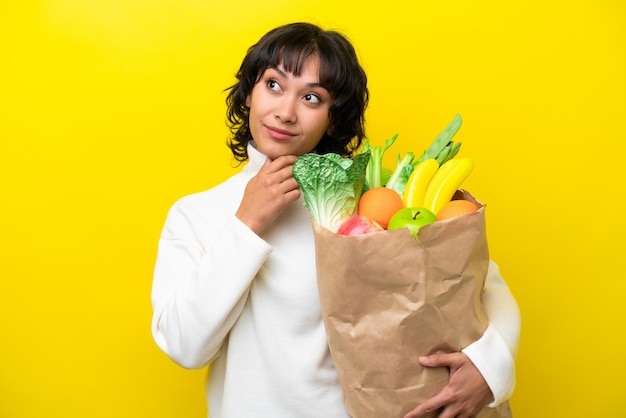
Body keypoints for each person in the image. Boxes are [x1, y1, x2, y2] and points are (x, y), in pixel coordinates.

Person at [151, 22, 520, 418]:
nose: (285, 112)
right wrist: (246, 223)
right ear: (248, 94)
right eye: (273, 85)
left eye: (311, 97)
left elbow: (479, 282)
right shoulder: (197, 214)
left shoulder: (371, 200)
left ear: (333, 117)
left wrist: (489, 368)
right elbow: (184, 346)